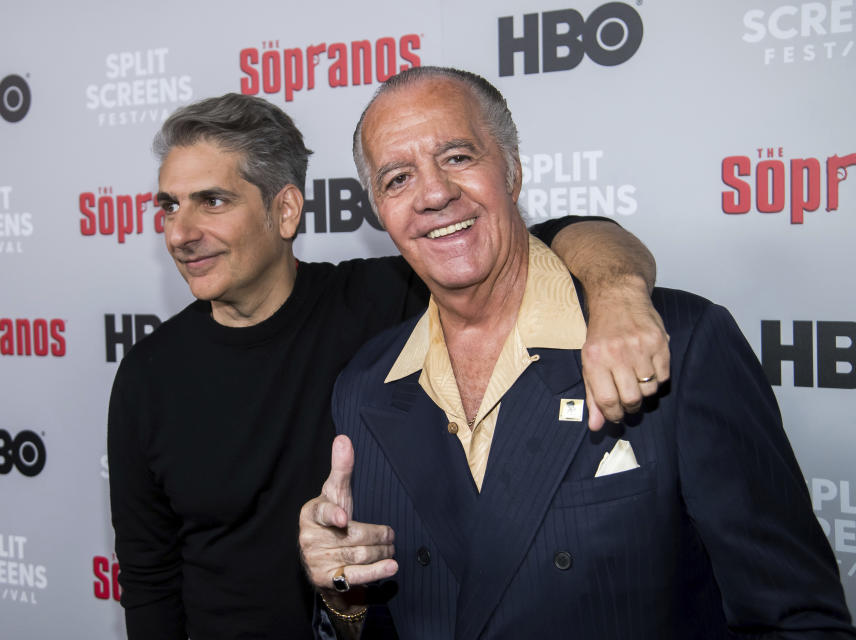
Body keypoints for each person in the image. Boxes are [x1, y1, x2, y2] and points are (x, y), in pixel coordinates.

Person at [298, 67, 856, 639]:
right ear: (378, 211)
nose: (434, 193)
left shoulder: (680, 342)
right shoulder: (366, 387)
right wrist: (343, 597)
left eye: (458, 157)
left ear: (512, 170)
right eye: (397, 178)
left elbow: (797, 621)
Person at [108, 92, 669, 639]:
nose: (180, 233)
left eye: (212, 201)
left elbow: (551, 239)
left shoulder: (391, 300)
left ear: (284, 210)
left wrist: (617, 293)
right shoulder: (146, 375)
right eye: (169, 205)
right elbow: (148, 574)